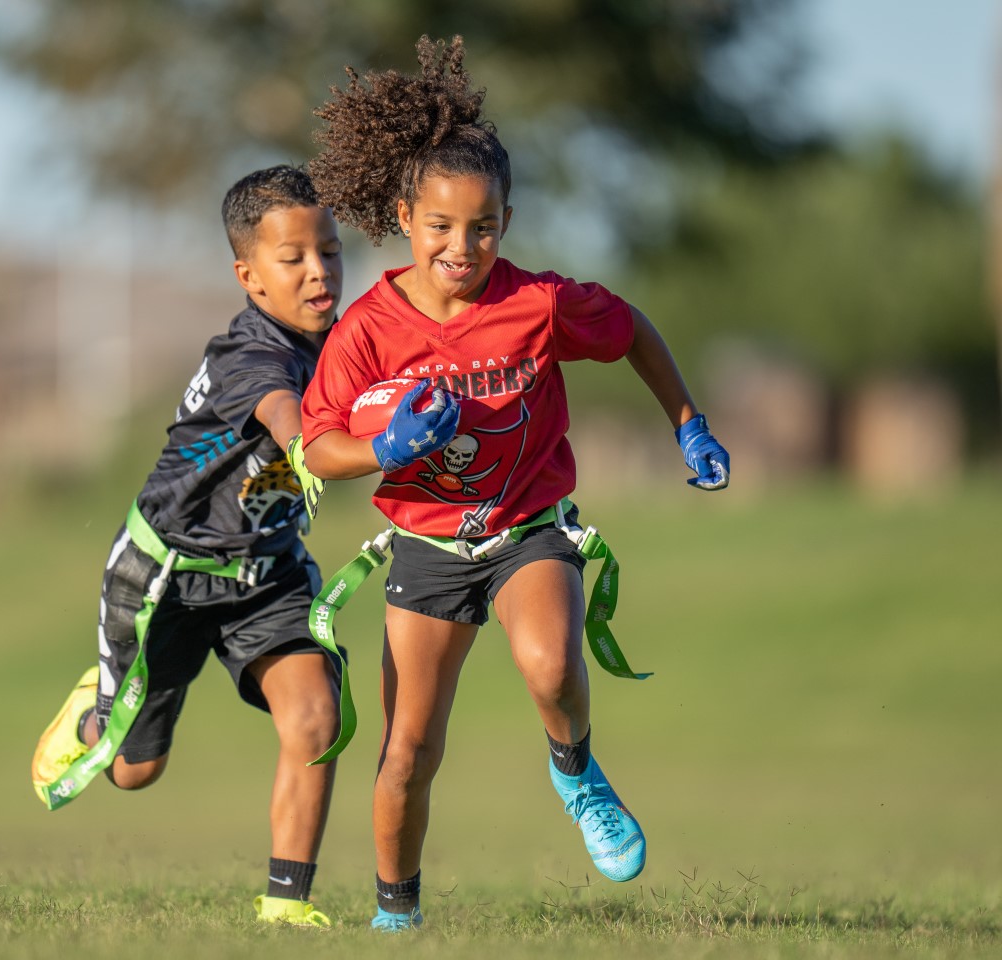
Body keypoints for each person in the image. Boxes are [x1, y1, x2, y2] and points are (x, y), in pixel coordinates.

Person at [299, 37, 730, 932]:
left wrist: (685, 418)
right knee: (409, 750)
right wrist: (385, 444)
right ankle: (396, 916)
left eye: (485, 226)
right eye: (441, 227)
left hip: (529, 526)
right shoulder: (368, 330)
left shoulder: (536, 305)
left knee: (550, 666)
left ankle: (576, 774)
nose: (463, 247)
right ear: (404, 215)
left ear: (508, 218)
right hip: (426, 544)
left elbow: (633, 329)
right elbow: (319, 447)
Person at [31, 164, 346, 928]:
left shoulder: (348, 340)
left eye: (330, 251)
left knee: (315, 719)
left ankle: (285, 908)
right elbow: (292, 424)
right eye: (293, 258)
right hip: (165, 576)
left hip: (267, 575)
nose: (317, 272)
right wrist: (352, 442)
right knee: (136, 771)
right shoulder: (251, 358)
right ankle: (95, 718)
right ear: (248, 275)